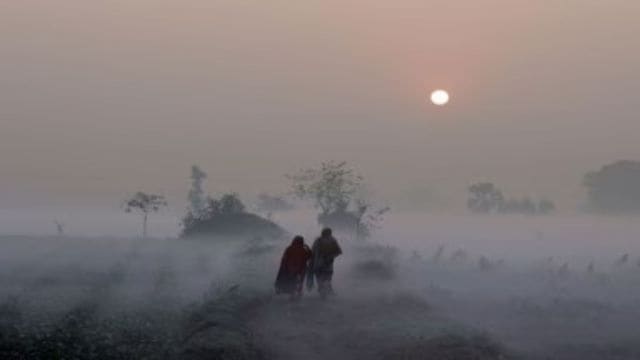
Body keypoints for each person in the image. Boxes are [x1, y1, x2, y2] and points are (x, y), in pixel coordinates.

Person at [275, 235, 312, 300]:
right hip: (302, 269)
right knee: (300, 282)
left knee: (292, 281)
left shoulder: (289, 248)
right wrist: (308, 248)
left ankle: (292, 294)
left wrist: (283, 268)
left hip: (291, 268)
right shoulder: (304, 249)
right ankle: (299, 294)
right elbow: (309, 257)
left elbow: (284, 259)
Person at [309, 228, 342, 298]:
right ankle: (327, 290)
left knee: (319, 278)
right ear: (330, 233)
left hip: (318, 263)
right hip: (328, 264)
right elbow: (339, 251)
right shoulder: (333, 240)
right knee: (328, 278)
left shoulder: (318, 240)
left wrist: (311, 261)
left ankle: (322, 291)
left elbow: (312, 251)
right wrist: (331, 256)